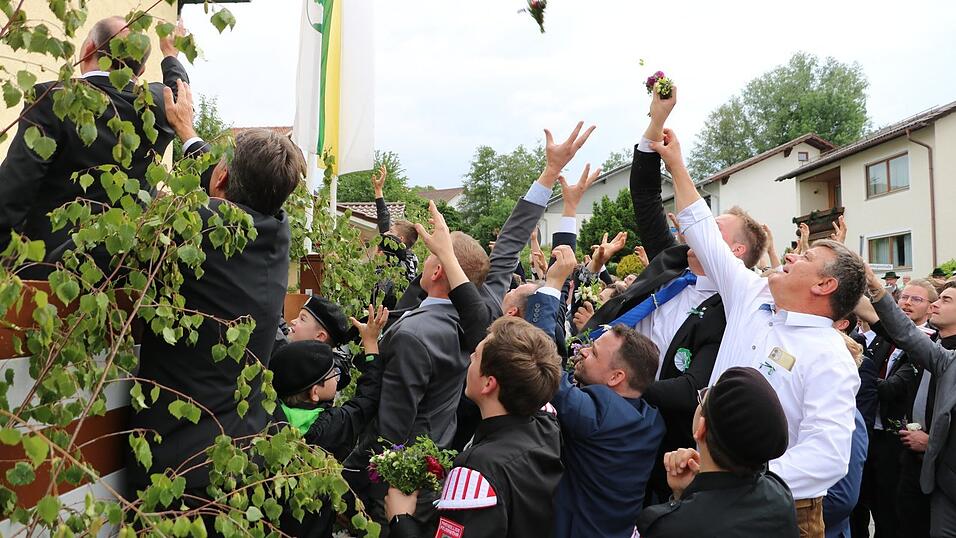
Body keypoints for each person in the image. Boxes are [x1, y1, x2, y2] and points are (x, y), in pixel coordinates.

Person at [658, 127, 864, 538]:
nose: (789, 254)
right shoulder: (749, 294)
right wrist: (676, 164)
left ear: (824, 286)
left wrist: (740, 478)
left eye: (804, 257)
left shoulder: (830, 356)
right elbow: (701, 229)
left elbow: (828, 456)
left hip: (781, 509)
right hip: (709, 486)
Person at [582, 84, 768, 505]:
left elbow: (692, 388)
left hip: (662, 433)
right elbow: (646, 196)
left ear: (735, 252)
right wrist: (657, 121)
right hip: (605, 401)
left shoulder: (731, 309)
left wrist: (624, 386)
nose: (693, 222)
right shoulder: (672, 261)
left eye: (713, 225)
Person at [124, 84, 306, 500]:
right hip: (239, 457)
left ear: (220, 177)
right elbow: (226, 184)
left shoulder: (194, 229)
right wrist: (188, 133)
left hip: (177, 466)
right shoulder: (277, 233)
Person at [0, 16, 189, 255]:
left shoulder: (53, 98)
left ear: (89, 48)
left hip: (46, 265)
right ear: (140, 70)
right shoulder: (159, 108)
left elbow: (17, 185)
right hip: (122, 265)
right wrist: (171, 53)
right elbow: (179, 93)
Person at [384, 316, 563, 538]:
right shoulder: (546, 423)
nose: (470, 357)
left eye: (476, 355)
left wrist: (401, 519)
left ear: (489, 383)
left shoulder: (477, 470)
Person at [636, 367, 798, 537]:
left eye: (702, 397)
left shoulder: (666, 527)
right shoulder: (779, 497)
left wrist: (679, 501)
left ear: (701, 428)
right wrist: (688, 491)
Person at [268, 305, 385, 537]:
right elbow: (367, 399)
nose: (336, 376)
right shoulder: (331, 426)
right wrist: (371, 345)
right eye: (332, 374)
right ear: (314, 392)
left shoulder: (270, 416)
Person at [857, 276, 956, 538]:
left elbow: (890, 388)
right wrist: (851, 274)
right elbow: (891, 325)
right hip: (911, 458)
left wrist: (933, 442)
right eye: (904, 297)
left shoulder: (944, 358)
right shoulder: (932, 344)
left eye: (945, 300)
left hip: (942, 464)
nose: (935, 305)